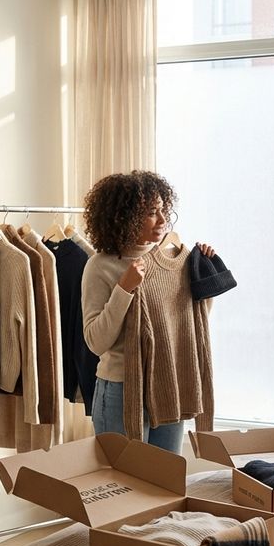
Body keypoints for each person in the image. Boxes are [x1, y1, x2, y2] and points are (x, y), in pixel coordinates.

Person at [81, 170, 216, 454]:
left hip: (169, 384)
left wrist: (206, 278)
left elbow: (189, 321)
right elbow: (95, 341)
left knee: (165, 484)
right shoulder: (100, 266)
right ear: (125, 216)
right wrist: (124, 289)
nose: (163, 220)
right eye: (152, 212)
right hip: (120, 389)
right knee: (123, 485)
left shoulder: (173, 260)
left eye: (163, 210)